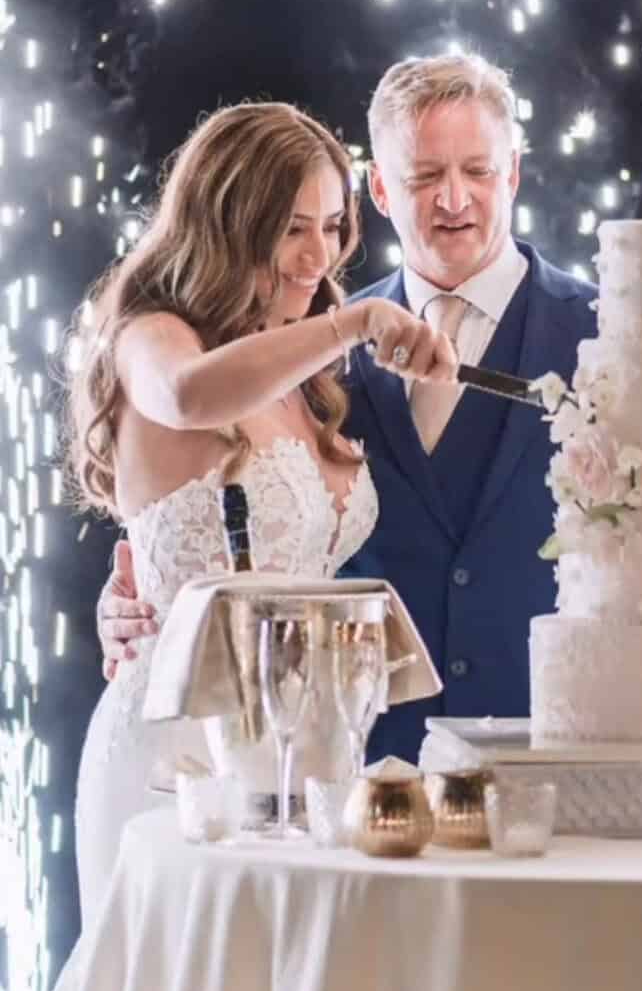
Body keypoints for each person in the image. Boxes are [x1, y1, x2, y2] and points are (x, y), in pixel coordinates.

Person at [100, 54, 597, 764]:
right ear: (382, 191)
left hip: (553, 742)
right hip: (350, 756)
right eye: (424, 176)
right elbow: (201, 475)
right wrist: (137, 603)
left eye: (478, 171)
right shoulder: (318, 346)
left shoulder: (610, 336)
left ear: (512, 172)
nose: (453, 200)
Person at [67, 99, 456, 926]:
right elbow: (188, 396)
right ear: (226, 223)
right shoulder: (152, 335)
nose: (318, 256)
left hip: (304, 754)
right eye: (289, 229)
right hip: (179, 749)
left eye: (332, 226)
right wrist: (349, 323)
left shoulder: (304, 374)